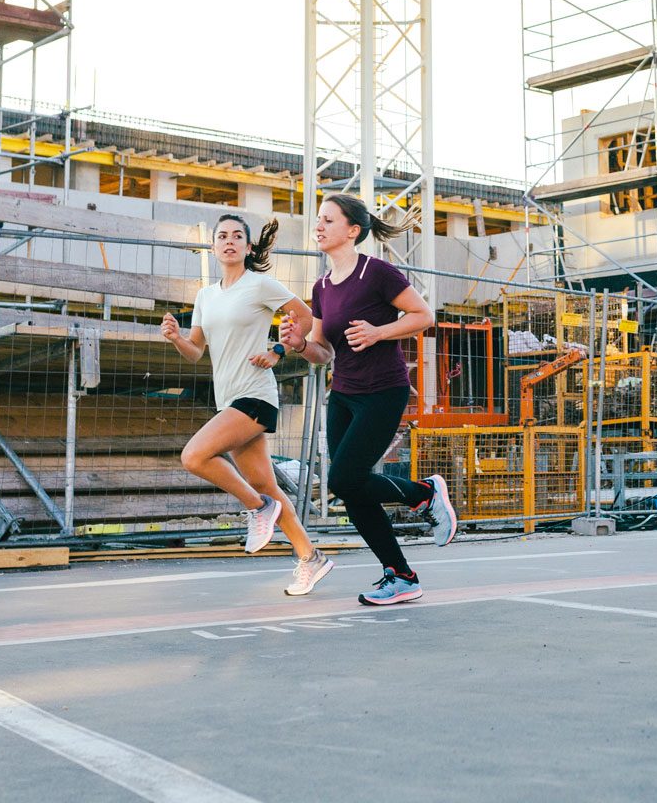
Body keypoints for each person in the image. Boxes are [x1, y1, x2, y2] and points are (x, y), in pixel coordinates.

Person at [279, 193, 457, 607]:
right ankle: (400, 575)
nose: (318, 227)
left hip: (383, 390)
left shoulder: (377, 272)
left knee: (344, 478)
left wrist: (378, 331)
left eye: (327, 220)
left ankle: (424, 495)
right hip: (343, 394)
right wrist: (299, 344)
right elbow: (323, 351)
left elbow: (423, 316)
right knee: (352, 489)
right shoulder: (322, 287)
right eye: (317, 221)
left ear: (353, 230)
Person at [162, 213, 334, 597]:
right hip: (228, 399)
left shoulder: (259, 285)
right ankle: (311, 558)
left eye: (237, 236)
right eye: (221, 235)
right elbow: (195, 353)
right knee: (268, 488)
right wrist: (175, 337)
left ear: (248, 247)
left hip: (255, 394)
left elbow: (305, 316)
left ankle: (257, 510)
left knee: (193, 457)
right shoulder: (206, 296)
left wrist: (277, 349)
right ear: (213, 247)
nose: (229, 241)